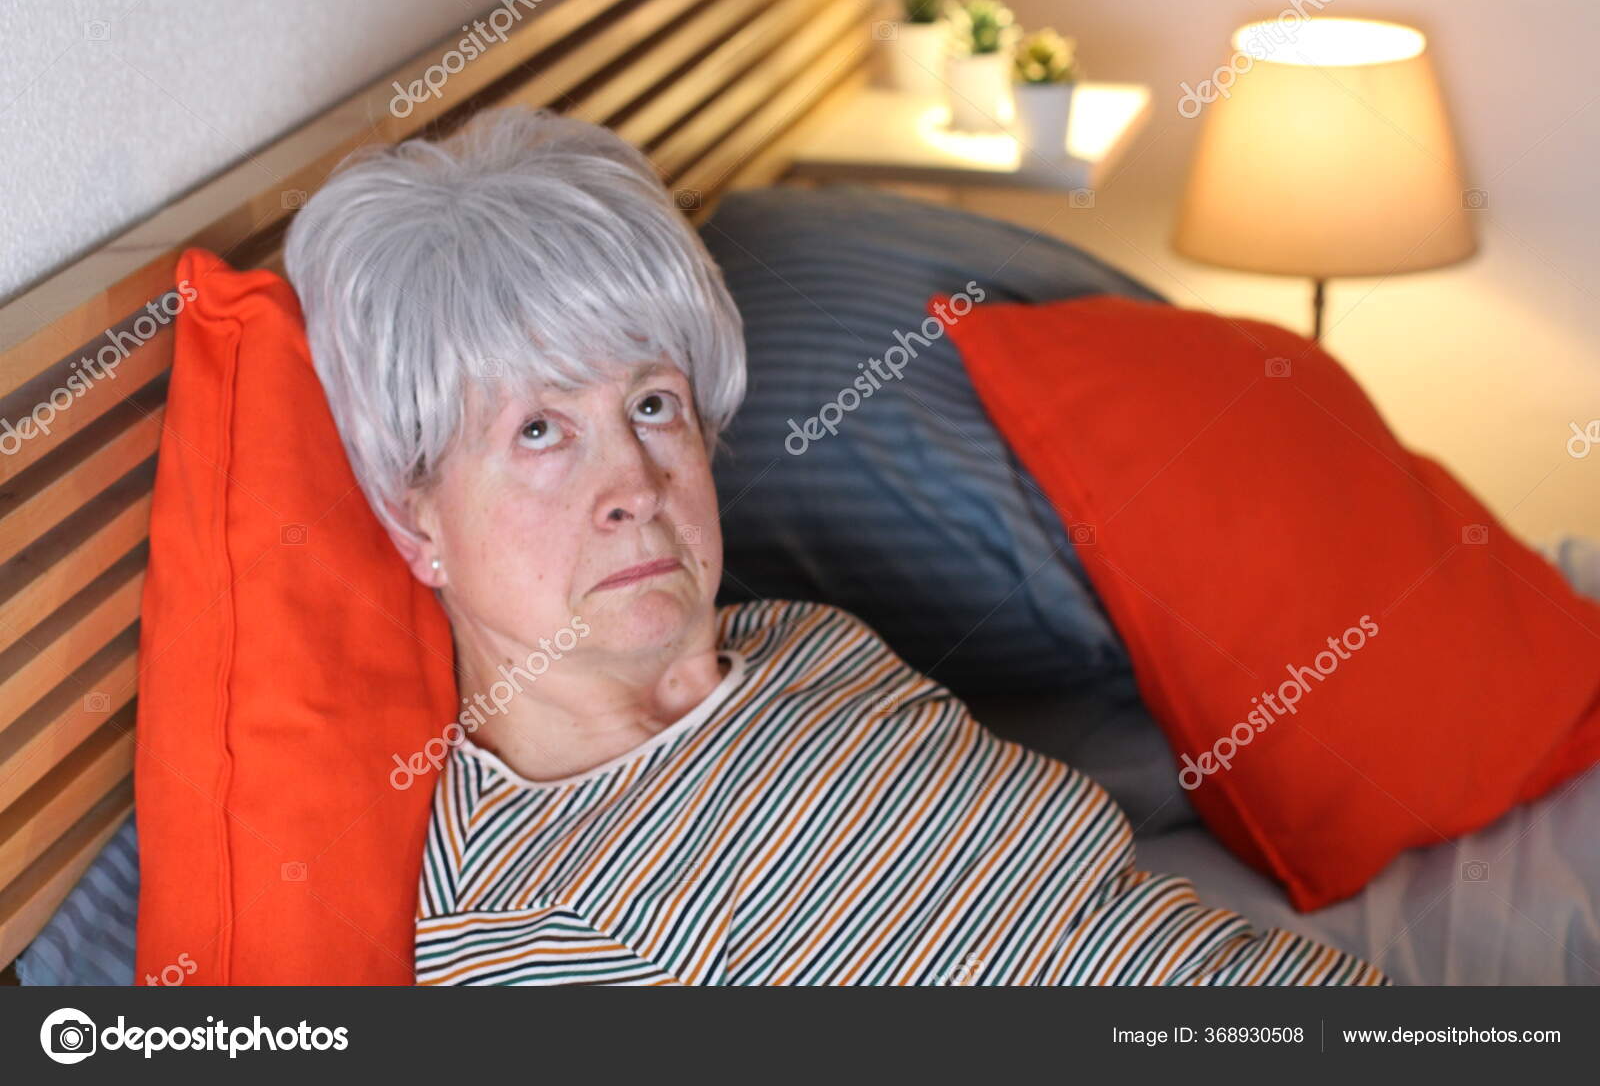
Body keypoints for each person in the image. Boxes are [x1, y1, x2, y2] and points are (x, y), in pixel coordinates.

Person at [283, 108, 1388, 987]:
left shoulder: (807, 641)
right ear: (418, 521)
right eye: (538, 431)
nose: (636, 486)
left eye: (654, 405)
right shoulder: (540, 926)